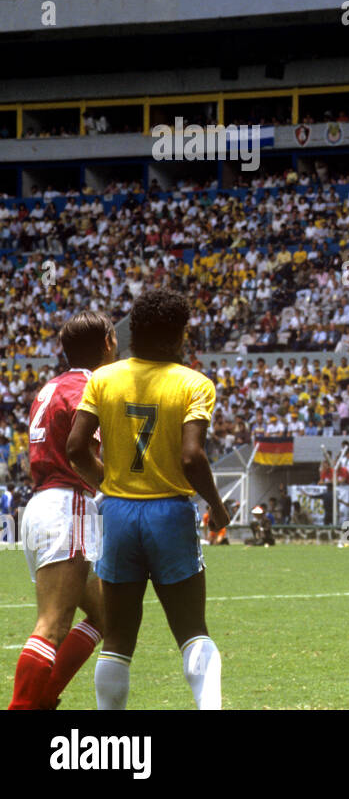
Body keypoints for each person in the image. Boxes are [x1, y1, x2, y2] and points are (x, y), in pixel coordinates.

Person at [67, 287, 230, 710]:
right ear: (180, 335)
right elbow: (192, 457)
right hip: (170, 513)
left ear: (133, 332)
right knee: (192, 631)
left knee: (118, 639)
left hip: (118, 514)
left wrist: (107, 484)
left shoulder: (102, 378)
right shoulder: (194, 383)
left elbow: (76, 447)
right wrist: (217, 503)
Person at [9, 311, 113, 710]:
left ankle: (45, 696)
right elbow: (80, 450)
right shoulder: (91, 387)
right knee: (52, 624)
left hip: (43, 506)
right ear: (107, 343)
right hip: (66, 504)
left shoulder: (51, 386)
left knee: (108, 616)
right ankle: (24, 707)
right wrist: (116, 485)